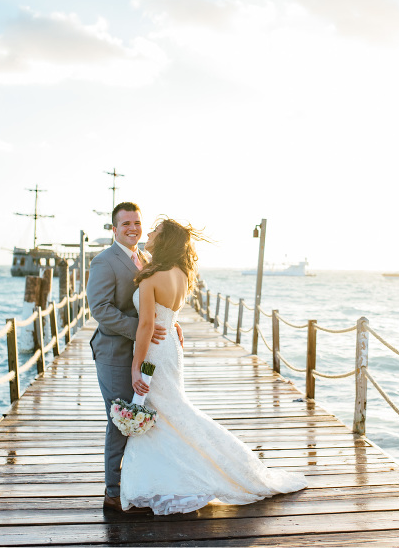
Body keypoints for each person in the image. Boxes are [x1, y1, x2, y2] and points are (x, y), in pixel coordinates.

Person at [120, 218, 307, 514]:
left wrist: (135, 366)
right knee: (170, 410)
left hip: (154, 351)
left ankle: (188, 475)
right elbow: (168, 315)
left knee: (166, 410)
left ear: (164, 241)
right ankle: (171, 475)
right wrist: (172, 325)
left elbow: (145, 326)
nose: (149, 234)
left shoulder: (150, 279)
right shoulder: (180, 274)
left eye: (155, 231)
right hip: (171, 347)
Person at [87, 202, 180, 512]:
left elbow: (153, 303)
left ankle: (139, 482)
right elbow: (100, 309)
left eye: (137, 223)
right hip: (114, 352)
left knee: (145, 415)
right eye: (125, 223)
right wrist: (143, 329)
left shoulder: (145, 258)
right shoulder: (104, 261)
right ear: (114, 229)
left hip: (145, 354)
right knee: (121, 419)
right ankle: (113, 491)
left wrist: (171, 324)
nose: (133, 228)